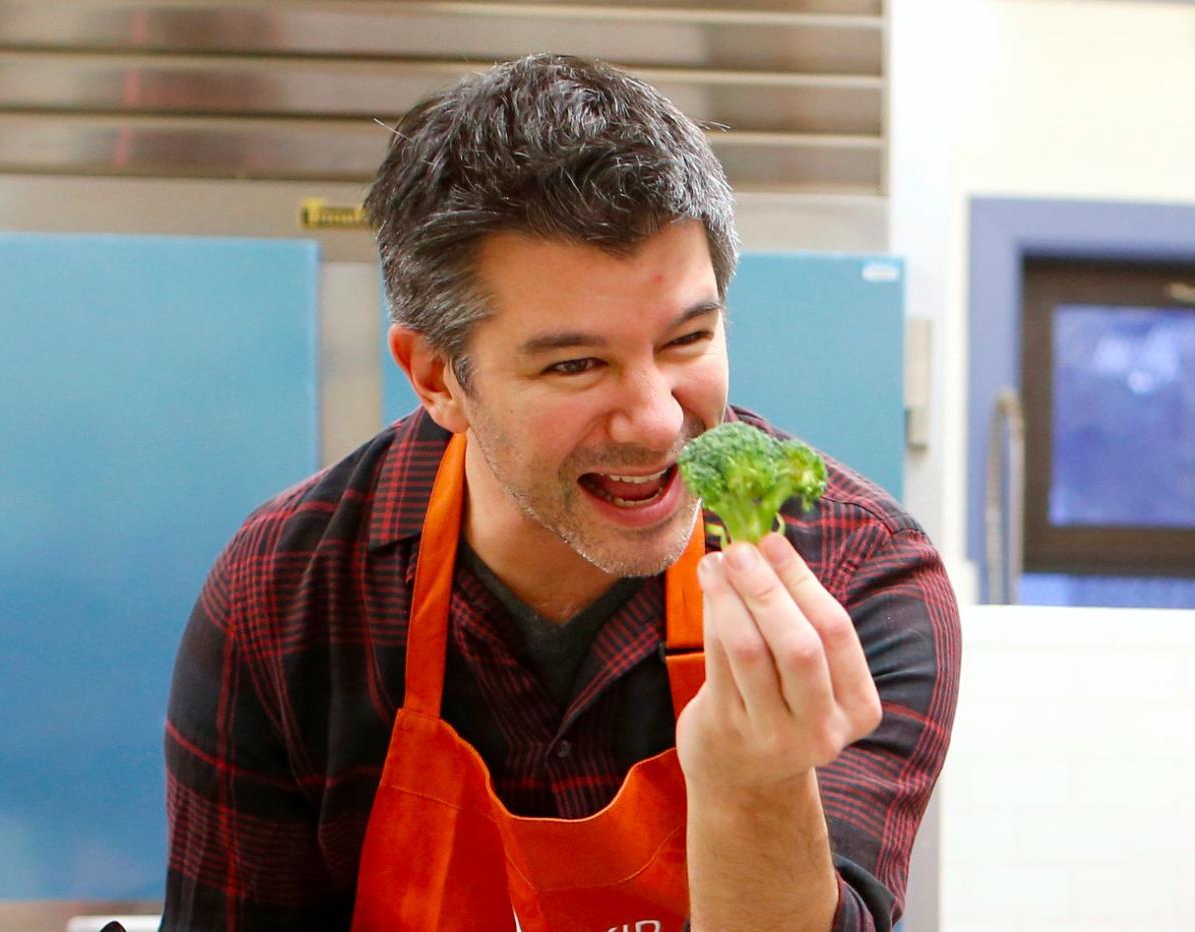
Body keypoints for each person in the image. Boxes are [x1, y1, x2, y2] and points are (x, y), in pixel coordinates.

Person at [161, 53, 960, 931]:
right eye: (577, 363)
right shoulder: (290, 592)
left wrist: (756, 790)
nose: (657, 423)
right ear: (436, 378)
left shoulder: (857, 573)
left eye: (688, 340)